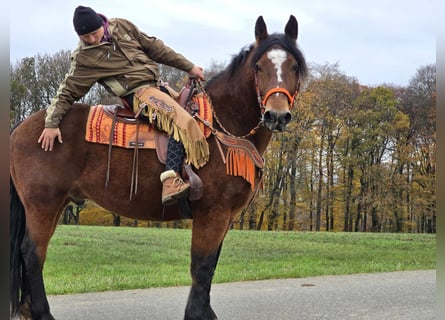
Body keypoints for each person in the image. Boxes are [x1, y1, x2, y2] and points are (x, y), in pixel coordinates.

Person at [37, 5, 209, 205]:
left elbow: (156, 48)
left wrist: (189, 67)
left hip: (159, 87)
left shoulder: (123, 27)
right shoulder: (84, 58)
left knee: (198, 111)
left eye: (94, 33)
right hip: (137, 95)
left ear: (103, 24)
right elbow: (67, 91)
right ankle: (170, 181)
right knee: (181, 121)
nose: (92, 40)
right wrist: (51, 123)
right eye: (85, 37)